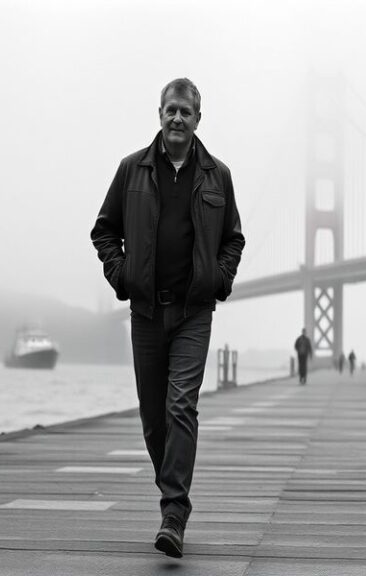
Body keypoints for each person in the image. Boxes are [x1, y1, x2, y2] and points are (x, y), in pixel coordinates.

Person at [91, 78, 244, 558]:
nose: (178, 119)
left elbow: (233, 238)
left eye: (187, 112)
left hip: (194, 312)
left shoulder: (218, 176)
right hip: (145, 311)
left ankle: (173, 513)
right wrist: (123, 276)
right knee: (154, 419)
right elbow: (104, 230)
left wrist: (218, 279)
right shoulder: (130, 170)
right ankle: (174, 499)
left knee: (182, 405)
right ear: (158, 114)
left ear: (200, 119)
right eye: (171, 111)